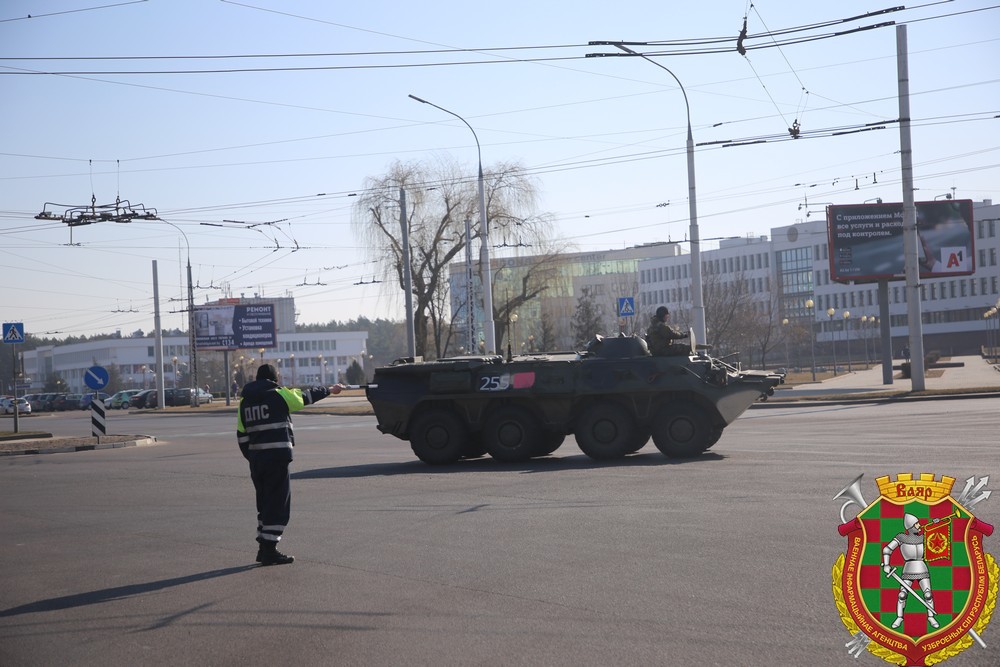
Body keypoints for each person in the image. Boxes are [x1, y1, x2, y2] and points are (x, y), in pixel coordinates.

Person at [237, 363, 343, 566]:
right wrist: (330, 390)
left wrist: (252, 457)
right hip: (277, 459)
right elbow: (306, 396)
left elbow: (241, 434)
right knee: (278, 505)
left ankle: (263, 548)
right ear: (274, 378)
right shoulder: (279, 394)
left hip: (257, 461)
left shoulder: (245, 401)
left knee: (264, 504)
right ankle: (269, 550)